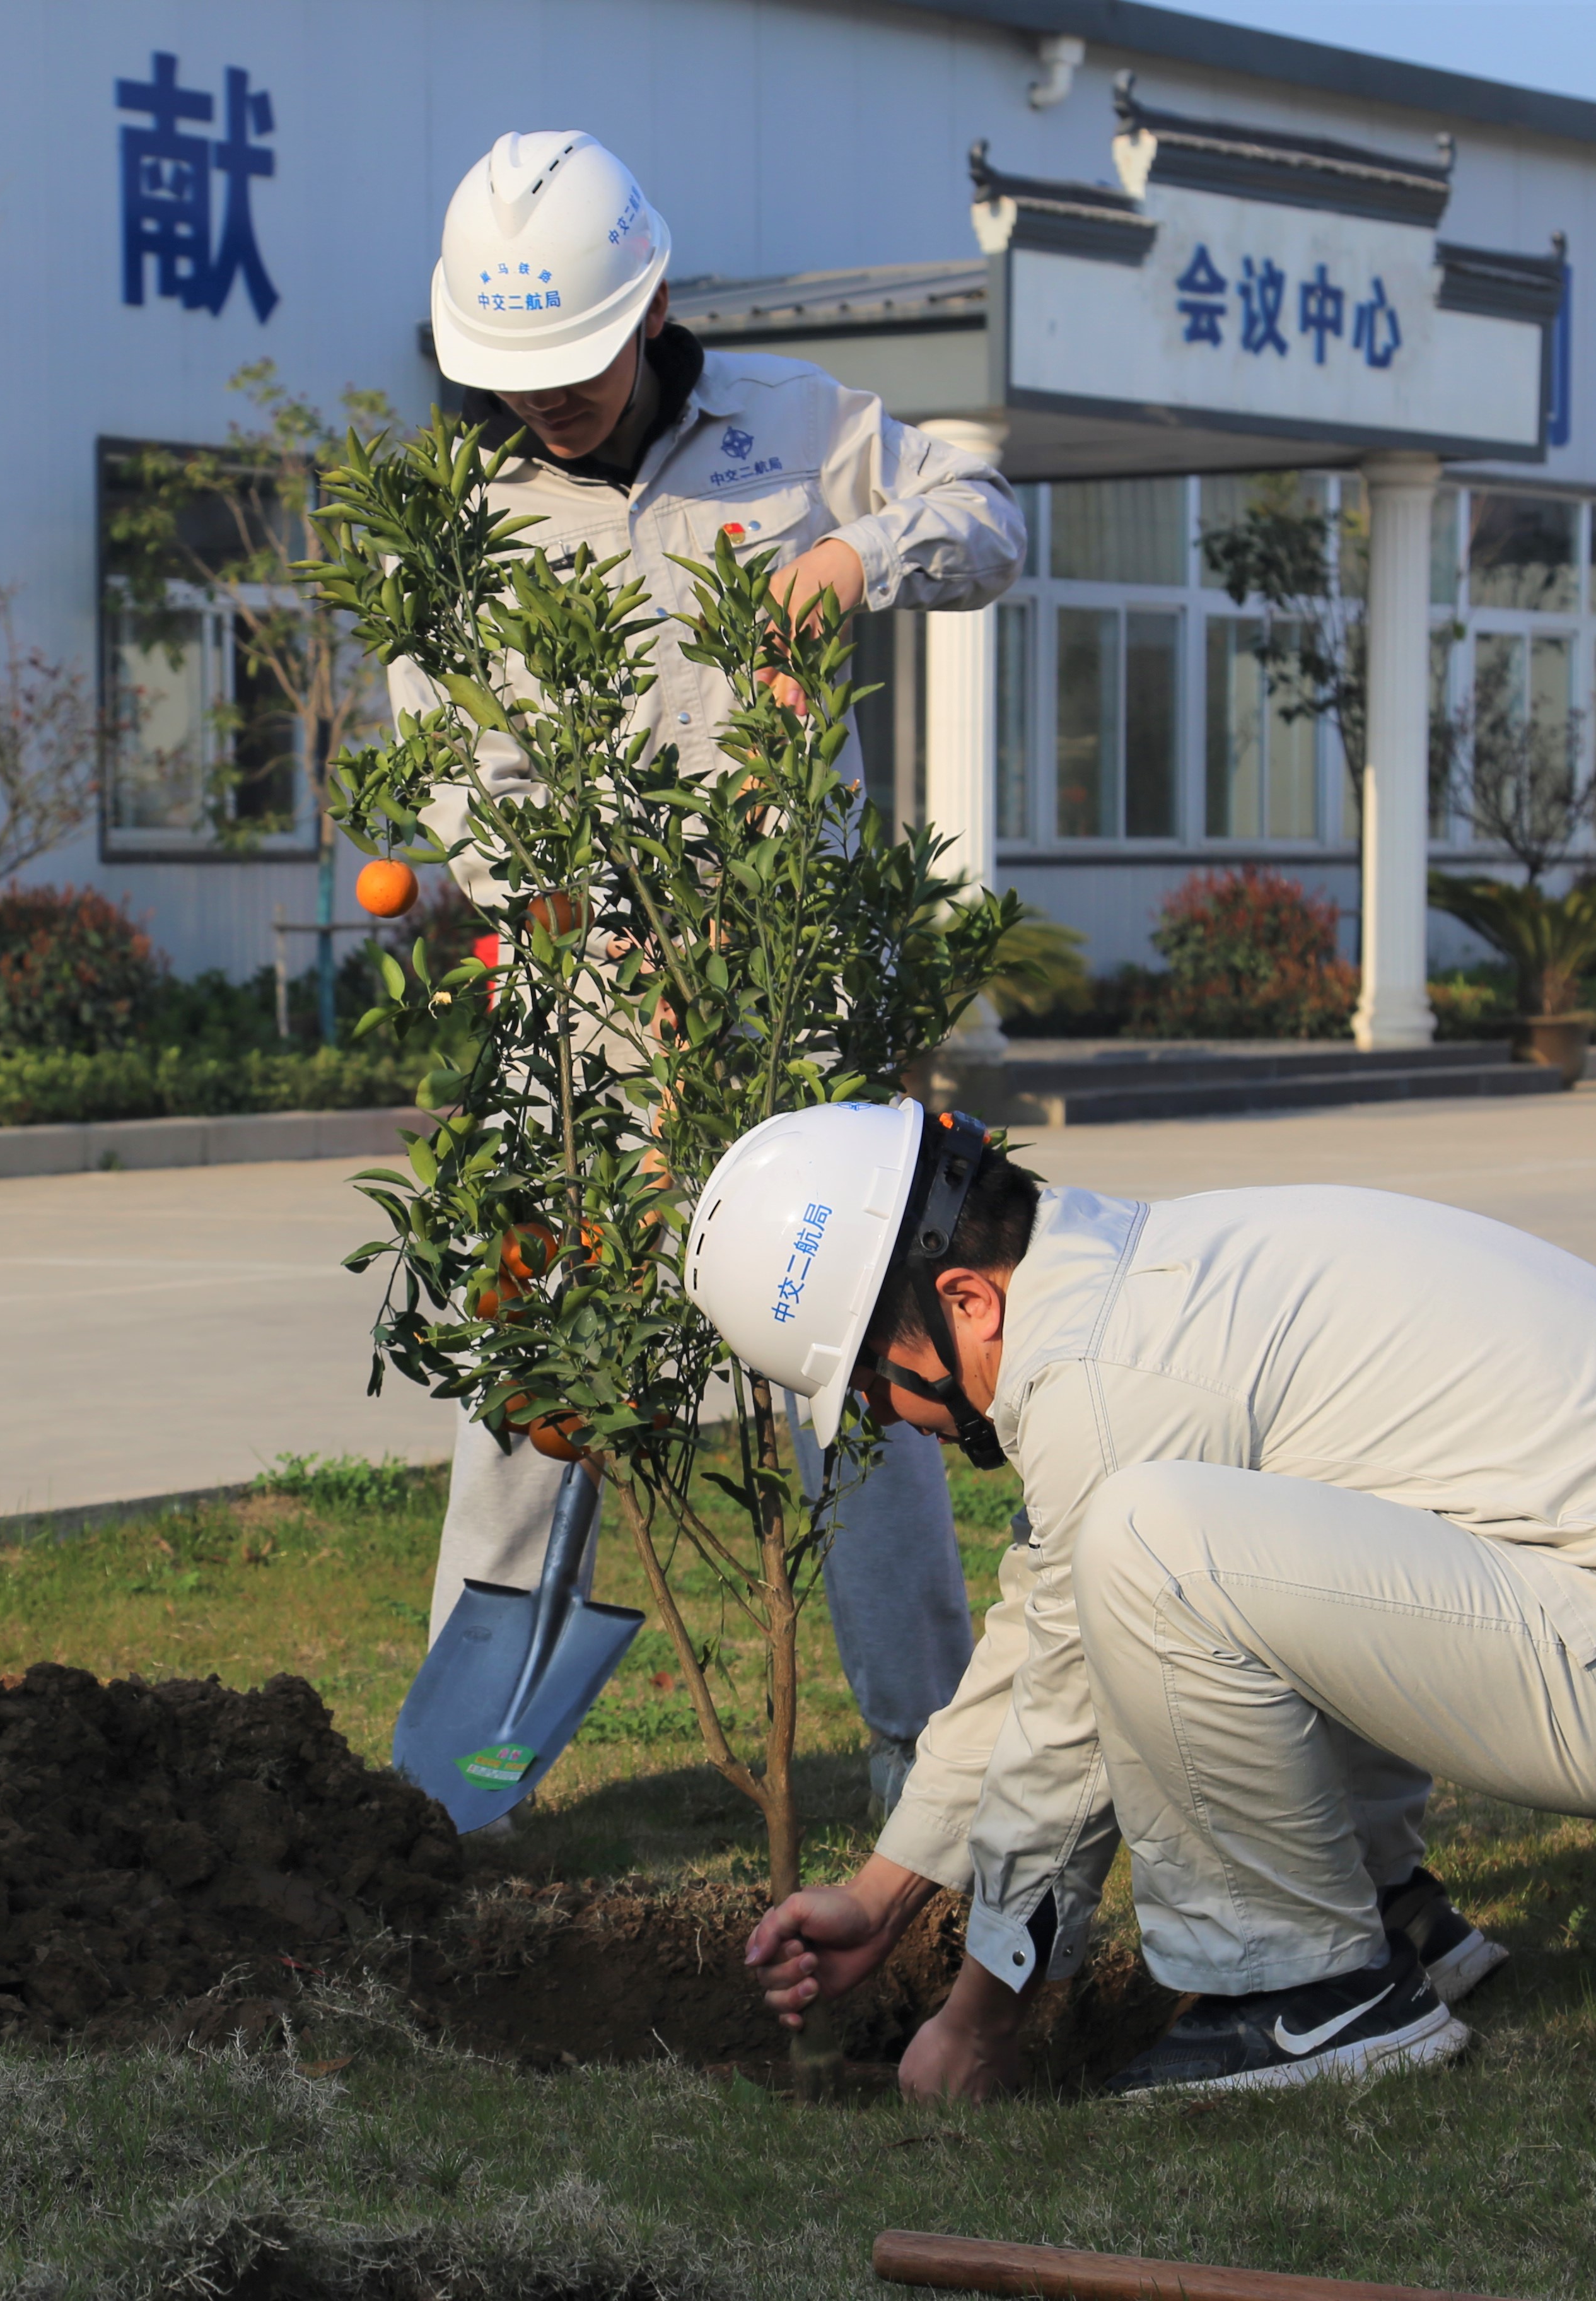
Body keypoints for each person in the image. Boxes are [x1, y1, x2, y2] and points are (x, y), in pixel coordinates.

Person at [697, 1101, 1596, 2099]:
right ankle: (1393, 1914)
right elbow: (1044, 1627)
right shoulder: (1128, 1279)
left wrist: (978, 2023)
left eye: (870, 1388)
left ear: (966, 1302)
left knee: (1149, 1549)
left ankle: (1312, 1991)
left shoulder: (1106, 1380)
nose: (891, 1421)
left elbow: (1065, 1728)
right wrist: (881, 1894)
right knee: (1163, 1546)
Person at [399, 131, 1025, 1808]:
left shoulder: (805, 427)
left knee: (861, 1388)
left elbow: (988, 514)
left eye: (574, 362)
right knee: (533, 1384)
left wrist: (852, 557)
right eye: (510, 373)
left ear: (651, 307)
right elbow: (436, 756)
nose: (547, 400)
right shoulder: (467, 516)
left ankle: (926, 1776)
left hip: (785, 1015)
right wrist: (520, 886)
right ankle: (474, 1784)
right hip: (575, 1026)